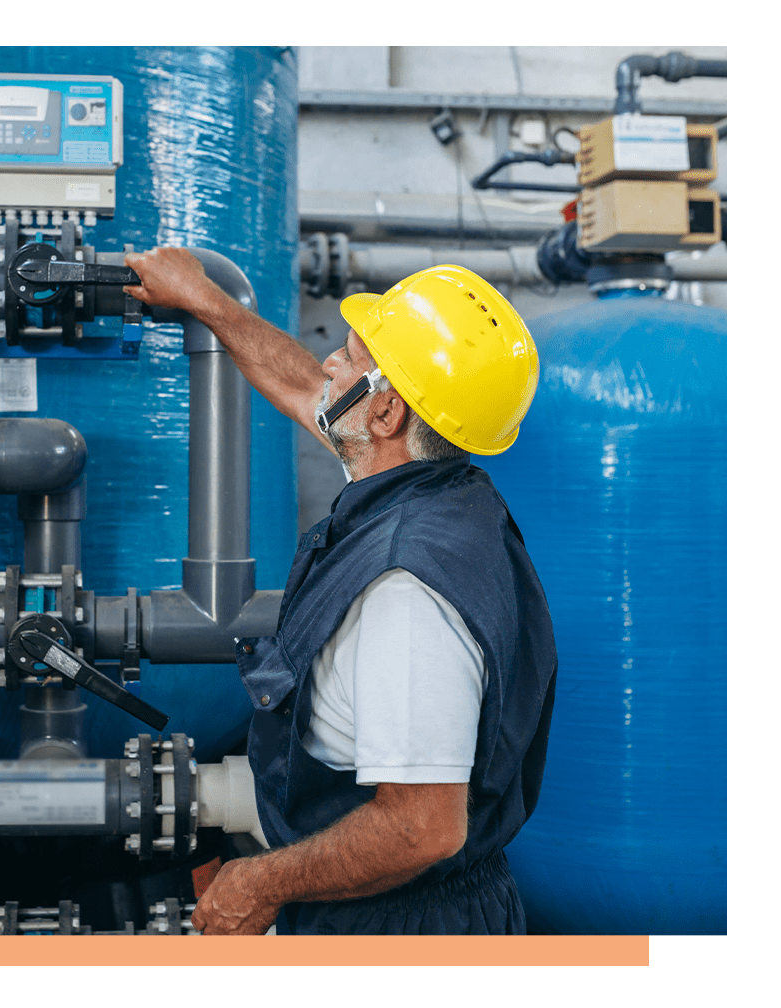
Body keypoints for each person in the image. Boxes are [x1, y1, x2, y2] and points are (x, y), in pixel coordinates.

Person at [122, 249, 557, 935]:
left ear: (384, 413)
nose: (329, 363)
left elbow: (421, 828)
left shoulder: (405, 596)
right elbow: (305, 388)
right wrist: (207, 300)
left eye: (350, 356)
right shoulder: (436, 488)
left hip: (396, 928)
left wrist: (259, 881)